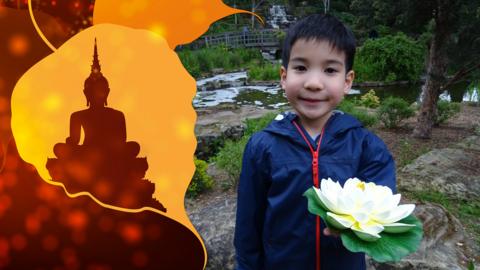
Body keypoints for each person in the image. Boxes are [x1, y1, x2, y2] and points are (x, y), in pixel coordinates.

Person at [234, 14, 396, 270]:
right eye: (301, 68)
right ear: (284, 76)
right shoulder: (262, 146)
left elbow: (382, 210)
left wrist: (359, 229)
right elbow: (248, 225)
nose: (313, 83)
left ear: (347, 81)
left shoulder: (367, 148)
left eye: (330, 70)